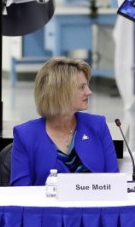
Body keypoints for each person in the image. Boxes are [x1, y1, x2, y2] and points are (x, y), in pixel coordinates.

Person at [10, 57, 118, 186]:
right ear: (60, 93)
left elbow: (114, 183)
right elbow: (19, 194)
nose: (89, 92)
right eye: (82, 87)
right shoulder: (25, 135)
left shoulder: (97, 126)